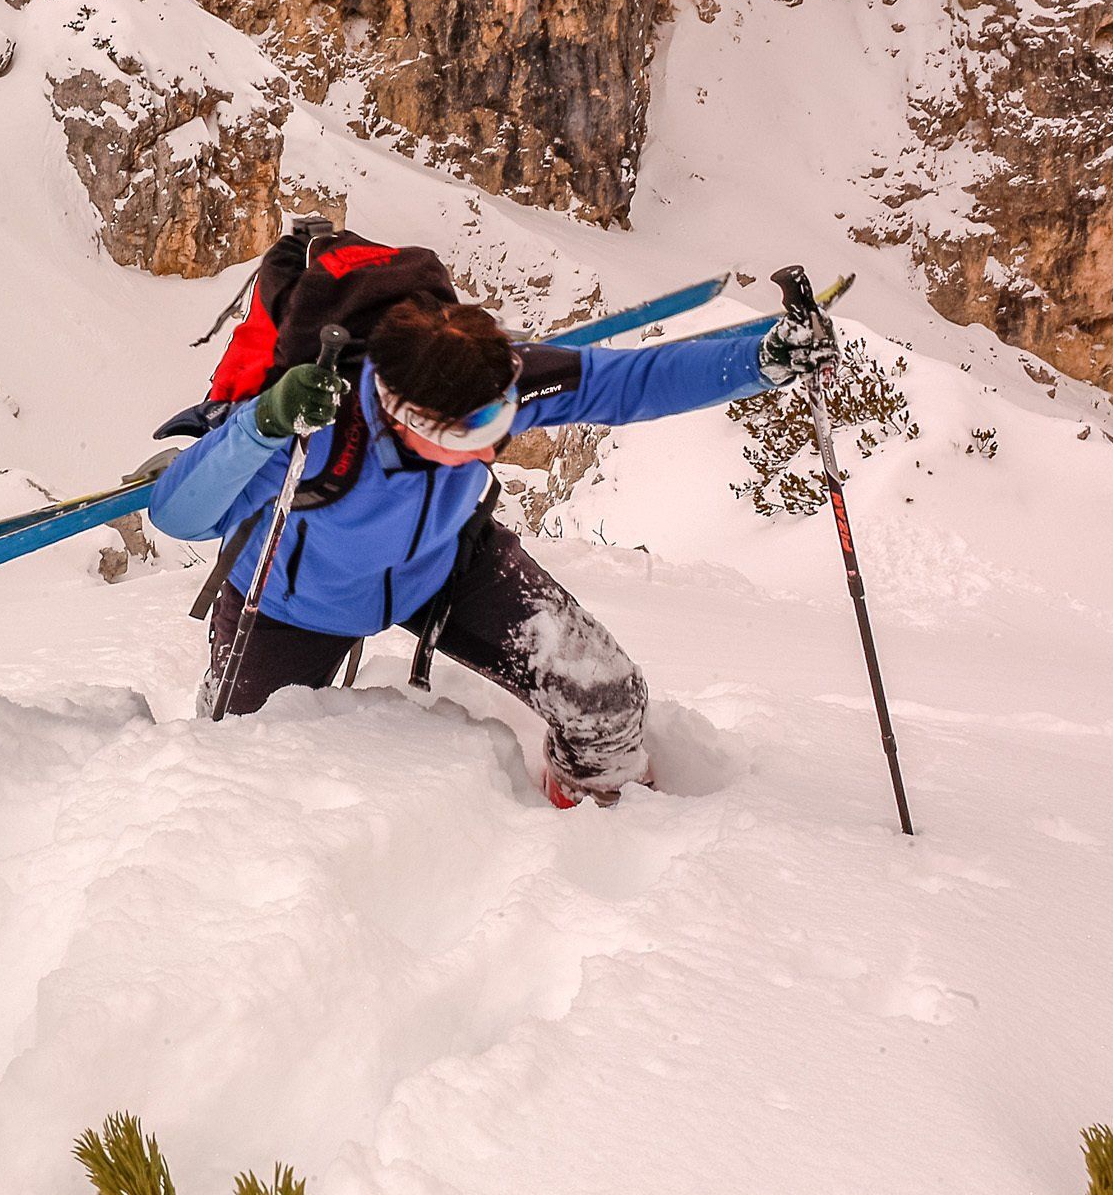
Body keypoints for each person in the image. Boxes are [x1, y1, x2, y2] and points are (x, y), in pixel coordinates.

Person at [148, 236, 836, 807]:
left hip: (442, 564)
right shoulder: (315, 429)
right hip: (293, 604)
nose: (491, 445)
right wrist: (262, 425)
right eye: (473, 431)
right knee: (239, 773)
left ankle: (596, 827)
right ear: (407, 415)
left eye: (499, 419)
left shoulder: (490, 379)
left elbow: (629, 381)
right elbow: (178, 511)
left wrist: (760, 361)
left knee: (606, 699)